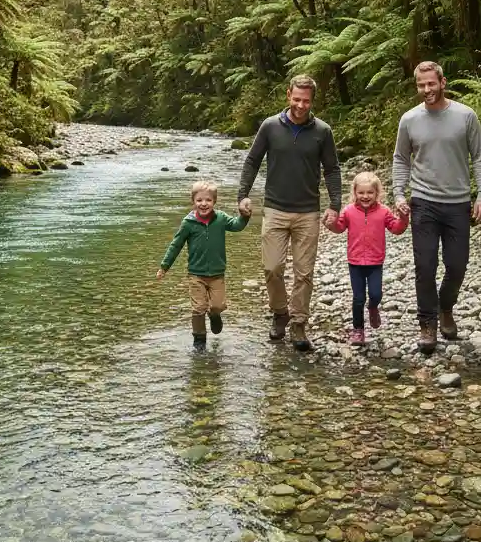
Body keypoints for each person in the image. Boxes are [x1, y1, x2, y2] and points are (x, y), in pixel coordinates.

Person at [237, 74, 343, 352]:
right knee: (272, 268)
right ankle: (279, 312)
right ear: (288, 95)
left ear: (312, 101)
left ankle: (298, 323)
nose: (300, 105)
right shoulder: (270, 126)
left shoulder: (323, 131)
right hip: (274, 209)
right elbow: (252, 161)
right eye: (296, 99)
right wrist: (243, 195)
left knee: (304, 273)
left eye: (306, 101)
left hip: (308, 212)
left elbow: (332, 169)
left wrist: (335, 204)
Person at [392, 61, 481, 354]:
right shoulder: (409, 119)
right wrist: (399, 193)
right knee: (425, 266)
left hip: (458, 202)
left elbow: (480, 158)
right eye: (421, 85)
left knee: (457, 266)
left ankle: (445, 306)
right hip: (423, 202)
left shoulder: (465, 116)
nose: (426, 90)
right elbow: (401, 159)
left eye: (431, 84)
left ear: (442, 82)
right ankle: (427, 324)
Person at [158, 180, 250, 348]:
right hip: (196, 274)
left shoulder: (221, 218)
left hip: (217, 274)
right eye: (199, 200)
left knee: (217, 306)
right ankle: (199, 339)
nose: (203, 204)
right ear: (193, 202)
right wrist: (164, 266)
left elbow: (236, 226)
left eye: (208, 200)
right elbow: (176, 245)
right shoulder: (188, 223)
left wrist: (245, 216)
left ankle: (215, 316)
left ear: (214, 201)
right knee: (198, 309)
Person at [328, 171, 408, 346]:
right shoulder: (348, 211)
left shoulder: (383, 212)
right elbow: (339, 228)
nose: (365, 196)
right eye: (361, 193)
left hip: (375, 262)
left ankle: (373, 307)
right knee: (358, 298)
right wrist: (331, 223)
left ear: (377, 193)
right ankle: (358, 330)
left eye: (370, 193)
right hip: (355, 262)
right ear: (355, 193)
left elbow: (396, 229)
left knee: (375, 294)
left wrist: (403, 217)